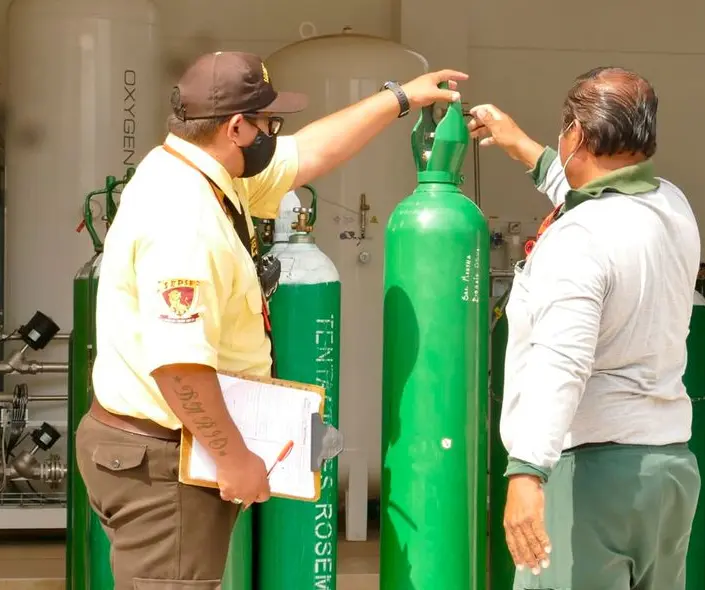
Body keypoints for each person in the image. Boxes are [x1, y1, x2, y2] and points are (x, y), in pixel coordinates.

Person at [74, 50, 466, 588]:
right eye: (268, 123)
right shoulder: (184, 217)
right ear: (236, 127)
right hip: (164, 460)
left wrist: (400, 98)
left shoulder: (202, 172)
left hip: (163, 448)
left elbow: (307, 154)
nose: (273, 135)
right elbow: (179, 367)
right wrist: (233, 458)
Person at [468, 66, 702, 589]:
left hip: (591, 477)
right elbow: (593, 192)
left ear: (577, 134)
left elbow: (562, 361)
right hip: (668, 471)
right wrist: (519, 144)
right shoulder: (671, 205)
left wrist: (526, 471)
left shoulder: (579, 239)